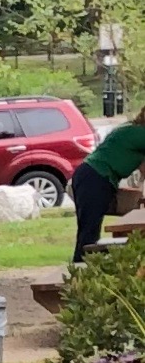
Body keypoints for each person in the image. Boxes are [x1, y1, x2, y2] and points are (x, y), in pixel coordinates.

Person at [72, 112, 145, 261]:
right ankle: (81, 272)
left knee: (87, 229)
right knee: (89, 232)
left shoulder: (130, 130)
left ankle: (82, 270)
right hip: (96, 177)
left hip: (90, 175)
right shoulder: (139, 134)